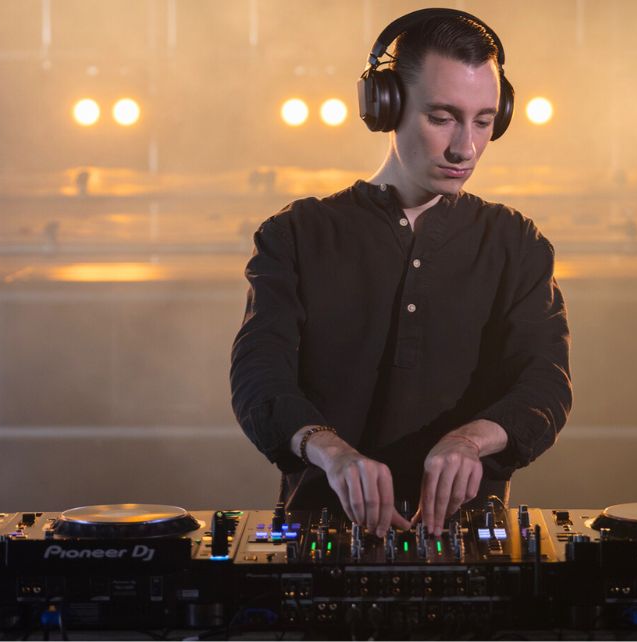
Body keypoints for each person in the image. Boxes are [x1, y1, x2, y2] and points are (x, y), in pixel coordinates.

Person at [229, 9, 571, 537]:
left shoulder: (517, 243)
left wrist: (471, 440)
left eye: (483, 121)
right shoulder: (296, 235)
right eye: (442, 118)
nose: (466, 148)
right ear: (385, 107)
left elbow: (546, 385)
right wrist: (332, 451)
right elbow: (258, 378)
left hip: (471, 536)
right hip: (321, 535)